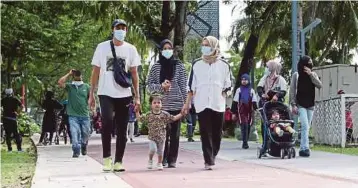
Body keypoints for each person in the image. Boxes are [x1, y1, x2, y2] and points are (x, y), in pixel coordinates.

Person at [89, 19, 141, 172]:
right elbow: (95, 72)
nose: (121, 31)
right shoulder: (102, 47)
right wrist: (91, 94)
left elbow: (134, 73)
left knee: (122, 128)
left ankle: (118, 161)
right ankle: (106, 159)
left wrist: (137, 96)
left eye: (124, 28)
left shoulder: (131, 49)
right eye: (118, 28)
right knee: (106, 123)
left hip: (124, 93)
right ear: (112, 30)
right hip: (105, 92)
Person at [184, 36, 232, 170]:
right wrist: (187, 104)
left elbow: (228, 84)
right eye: (203, 45)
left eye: (207, 45)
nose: (204, 47)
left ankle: (213, 154)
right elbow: (191, 86)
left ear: (214, 46)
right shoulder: (196, 64)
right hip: (201, 103)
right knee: (205, 133)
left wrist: (226, 94)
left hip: (218, 103)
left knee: (217, 134)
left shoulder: (224, 65)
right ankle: (208, 160)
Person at [146, 39, 187, 168]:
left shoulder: (179, 66)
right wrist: (160, 87)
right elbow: (149, 86)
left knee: (175, 135)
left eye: (170, 48)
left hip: (176, 104)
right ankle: (161, 158)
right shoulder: (156, 67)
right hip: (161, 106)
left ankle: (172, 159)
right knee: (162, 134)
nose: (167, 50)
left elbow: (184, 85)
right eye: (165, 48)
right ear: (161, 50)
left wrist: (186, 103)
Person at [136, 94, 183, 170]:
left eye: (158, 102)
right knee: (152, 149)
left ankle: (159, 163)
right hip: (152, 137)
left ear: (161, 104)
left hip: (161, 138)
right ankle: (150, 160)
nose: (157, 104)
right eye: (154, 103)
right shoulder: (149, 115)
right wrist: (137, 111)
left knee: (160, 152)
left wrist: (181, 114)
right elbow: (140, 119)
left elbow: (173, 118)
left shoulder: (165, 114)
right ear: (151, 105)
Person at [289, 55, 322, 157]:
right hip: (300, 103)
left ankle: (303, 148)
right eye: (308, 62)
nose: (310, 65)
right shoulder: (296, 75)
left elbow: (319, 85)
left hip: (310, 104)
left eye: (311, 63)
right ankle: (304, 148)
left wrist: (311, 74)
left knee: (307, 127)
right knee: (305, 125)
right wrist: (293, 104)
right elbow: (292, 90)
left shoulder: (313, 74)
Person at [58, 69, 91, 157]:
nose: (78, 77)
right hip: (73, 116)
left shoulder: (86, 86)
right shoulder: (70, 87)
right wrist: (69, 74)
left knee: (86, 133)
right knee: (74, 132)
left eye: (79, 75)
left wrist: (93, 107)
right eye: (76, 75)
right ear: (74, 76)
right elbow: (60, 82)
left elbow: (91, 98)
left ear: (81, 76)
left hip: (85, 115)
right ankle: (76, 150)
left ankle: (84, 145)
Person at [257, 60, 287, 153]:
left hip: (277, 105)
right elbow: (259, 88)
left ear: (272, 68)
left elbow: (283, 91)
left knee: (278, 122)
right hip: (266, 104)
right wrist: (262, 95)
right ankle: (265, 145)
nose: (266, 68)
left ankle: (278, 142)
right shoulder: (264, 78)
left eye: (267, 67)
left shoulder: (280, 79)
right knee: (265, 124)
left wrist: (276, 96)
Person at [231, 74, 258, 149]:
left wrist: (256, 109)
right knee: (244, 125)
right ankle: (244, 142)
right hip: (241, 111)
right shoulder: (239, 90)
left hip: (249, 111)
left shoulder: (251, 90)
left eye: (245, 79)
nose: (244, 81)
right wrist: (234, 112)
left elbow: (254, 101)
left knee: (248, 125)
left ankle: (246, 139)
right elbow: (235, 102)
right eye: (242, 80)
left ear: (248, 80)